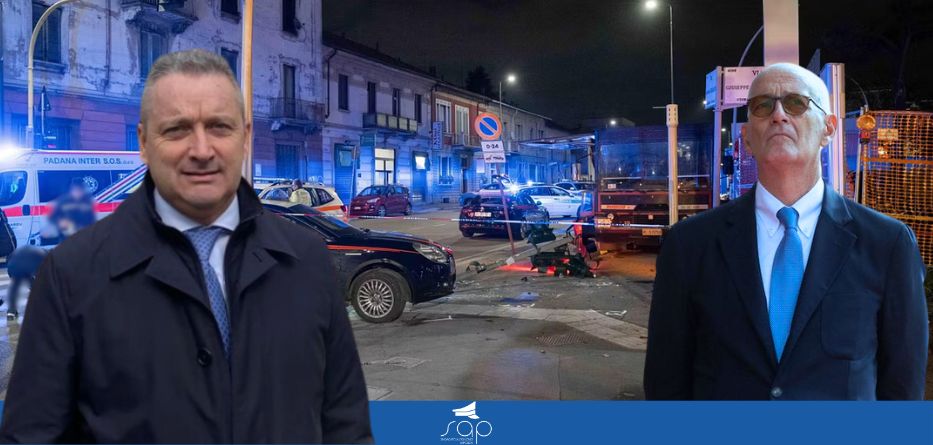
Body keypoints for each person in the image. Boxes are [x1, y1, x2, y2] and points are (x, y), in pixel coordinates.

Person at [0, 49, 373, 443]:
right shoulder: (70, 275)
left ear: (246, 138)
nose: (201, 150)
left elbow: (345, 424)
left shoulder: (307, 260)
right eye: (177, 129)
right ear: (144, 142)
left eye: (219, 127)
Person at [644, 63, 928, 400]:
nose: (778, 115)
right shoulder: (690, 244)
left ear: (828, 128)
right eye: (762, 106)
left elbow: (902, 387)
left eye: (796, 103)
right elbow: (666, 383)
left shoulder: (887, 244)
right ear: (747, 137)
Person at [46, 178, 97, 243]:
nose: (78, 192)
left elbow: (91, 219)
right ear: (71, 190)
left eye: (80, 190)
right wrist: (60, 221)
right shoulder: (63, 201)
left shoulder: (87, 202)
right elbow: (53, 216)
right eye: (75, 189)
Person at [4, 245, 47, 320]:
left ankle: (11, 311)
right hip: (31, 263)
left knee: (16, 284)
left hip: (13, 265)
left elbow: (9, 261)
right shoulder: (46, 255)